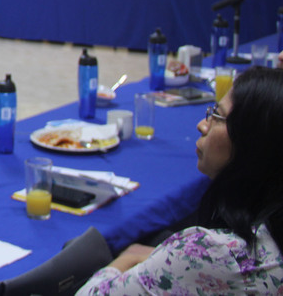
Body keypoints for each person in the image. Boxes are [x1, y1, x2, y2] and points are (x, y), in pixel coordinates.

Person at [76, 67, 283, 295]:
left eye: (217, 115)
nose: (202, 125)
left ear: (252, 142)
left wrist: (127, 258)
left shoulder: (213, 252)